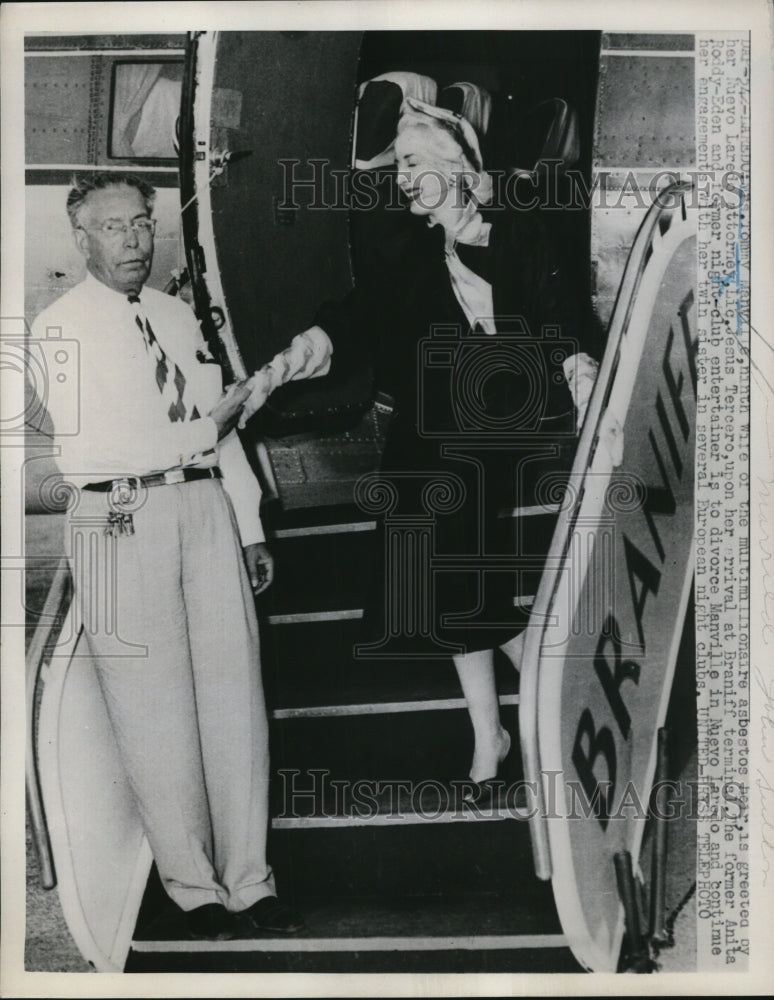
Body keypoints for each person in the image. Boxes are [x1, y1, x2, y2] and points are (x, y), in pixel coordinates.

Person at [242, 99, 599, 794]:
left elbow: (559, 322)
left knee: (451, 575)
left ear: (453, 165)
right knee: (430, 580)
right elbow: (353, 317)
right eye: (399, 166)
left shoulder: (518, 230)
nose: (401, 179)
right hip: (430, 425)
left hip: (500, 419)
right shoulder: (404, 248)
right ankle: (502, 726)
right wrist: (289, 360)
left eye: (410, 164)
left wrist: (578, 376)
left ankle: (539, 713)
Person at [33, 172, 303, 940]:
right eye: (112, 228)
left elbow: (227, 432)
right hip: (117, 513)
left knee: (234, 701)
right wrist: (203, 433)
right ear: (81, 239)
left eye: (142, 225)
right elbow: (86, 454)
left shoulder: (178, 316)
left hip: (204, 507)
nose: (132, 241)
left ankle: (253, 880)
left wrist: (247, 525)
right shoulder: (59, 329)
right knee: (153, 713)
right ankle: (194, 888)